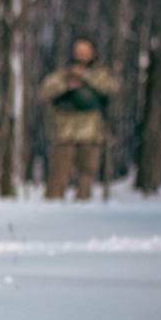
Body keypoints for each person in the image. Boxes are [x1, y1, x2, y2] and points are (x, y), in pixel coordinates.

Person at [40, 38, 119, 200]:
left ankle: (83, 210)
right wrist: (66, 85)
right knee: (58, 175)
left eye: (85, 51)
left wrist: (85, 76)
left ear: (92, 53)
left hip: (91, 131)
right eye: (78, 51)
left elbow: (111, 88)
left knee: (87, 175)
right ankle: (51, 211)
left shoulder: (100, 73)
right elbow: (45, 89)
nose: (81, 55)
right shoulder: (63, 72)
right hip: (65, 131)